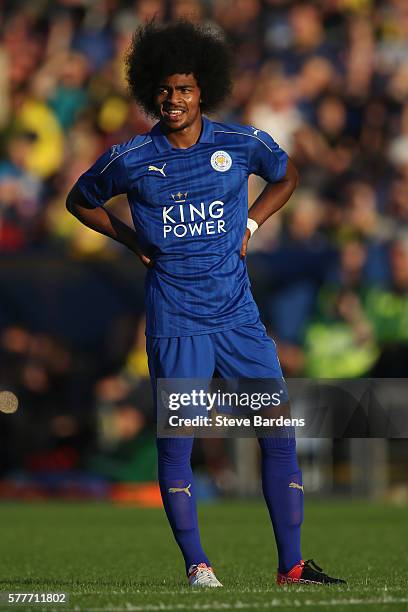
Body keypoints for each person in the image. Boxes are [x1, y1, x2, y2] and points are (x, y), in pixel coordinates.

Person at [66, 21, 345, 588]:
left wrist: (250, 220)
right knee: (179, 444)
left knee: (277, 431)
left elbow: (286, 174)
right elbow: (79, 199)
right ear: (151, 91)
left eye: (186, 89)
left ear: (203, 91)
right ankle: (198, 566)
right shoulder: (132, 157)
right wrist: (130, 238)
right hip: (176, 322)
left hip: (238, 319)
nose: (175, 100)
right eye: (165, 90)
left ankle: (292, 566)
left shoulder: (240, 143)